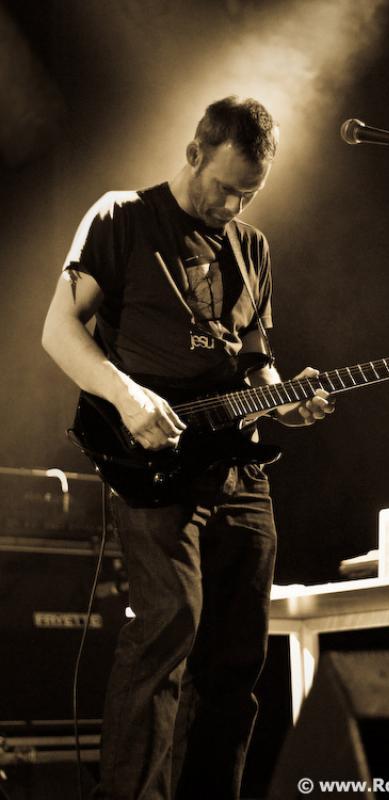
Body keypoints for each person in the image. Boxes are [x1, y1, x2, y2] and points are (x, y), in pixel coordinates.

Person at [42, 96, 334, 800]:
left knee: (235, 660)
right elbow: (58, 331)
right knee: (168, 628)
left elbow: (256, 366)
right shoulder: (121, 217)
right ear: (194, 152)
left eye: (248, 194)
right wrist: (127, 397)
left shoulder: (251, 248)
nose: (232, 205)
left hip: (241, 472)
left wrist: (287, 402)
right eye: (225, 187)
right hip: (154, 465)